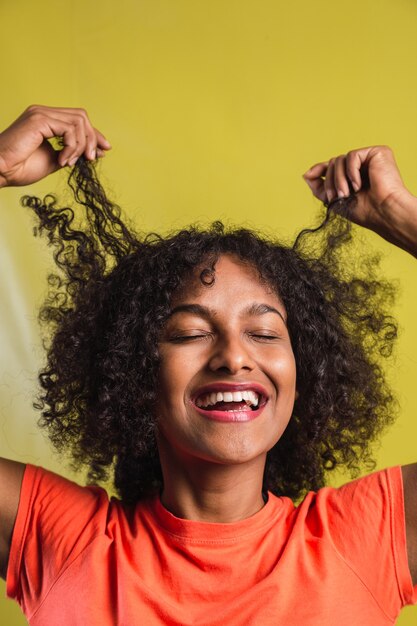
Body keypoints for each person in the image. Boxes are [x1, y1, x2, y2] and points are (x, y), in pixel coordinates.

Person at [0, 105, 416, 625]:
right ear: (133, 371)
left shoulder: (368, 539)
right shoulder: (57, 539)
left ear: (303, 372)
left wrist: (401, 212)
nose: (235, 357)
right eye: (191, 333)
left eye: (264, 333)